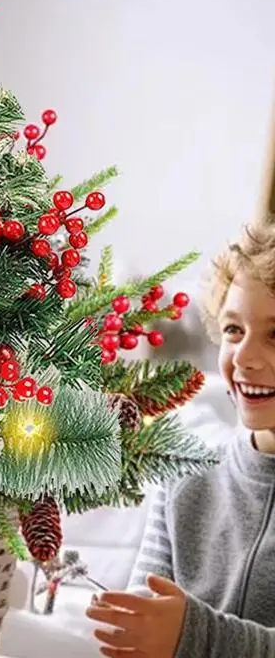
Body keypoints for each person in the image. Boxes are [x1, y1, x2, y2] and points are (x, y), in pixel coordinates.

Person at [86, 221, 275, 657]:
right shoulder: (187, 474)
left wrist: (195, 636)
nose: (244, 357)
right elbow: (145, 627)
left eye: (274, 334)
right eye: (233, 329)